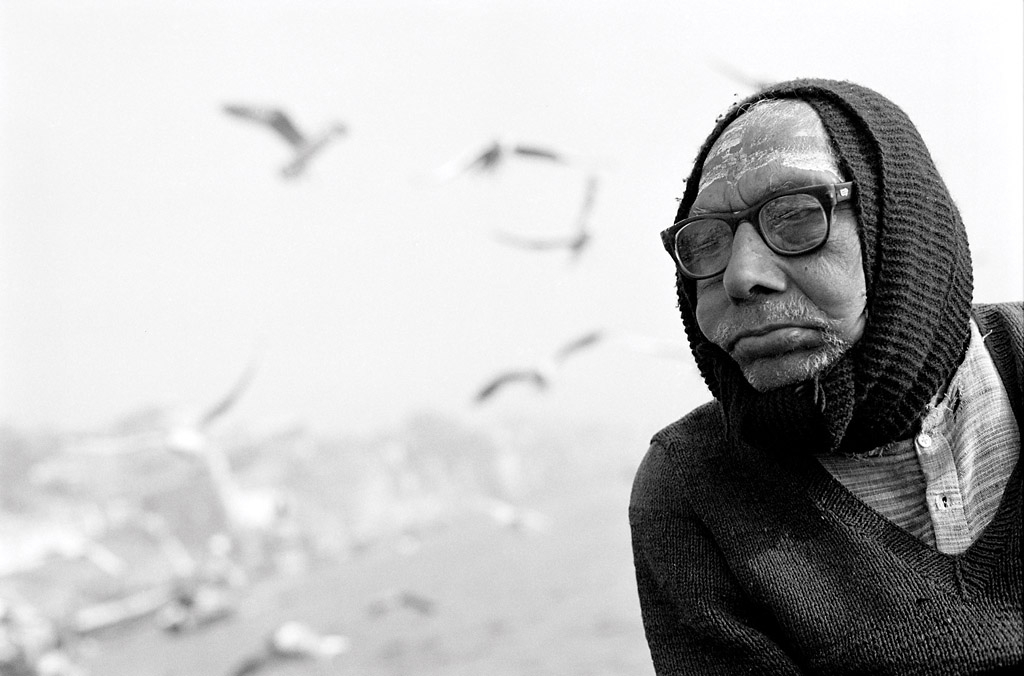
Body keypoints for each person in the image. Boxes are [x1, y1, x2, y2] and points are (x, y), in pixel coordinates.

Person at [629, 78, 1022, 674]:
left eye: (795, 218)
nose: (741, 278)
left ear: (904, 230)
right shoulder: (694, 486)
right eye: (705, 243)